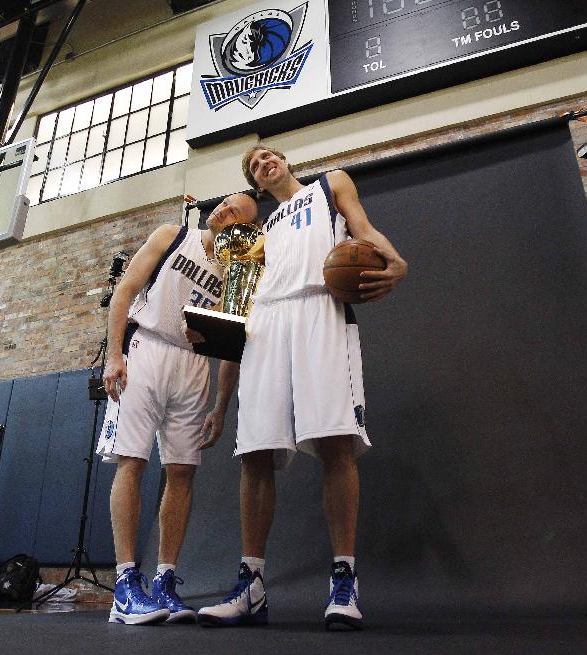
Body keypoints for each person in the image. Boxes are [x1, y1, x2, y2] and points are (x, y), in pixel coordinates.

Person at [195, 146, 407, 630]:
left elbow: (364, 229)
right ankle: (250, 587)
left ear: (285, 161)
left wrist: (397, 261)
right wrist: (220, 403)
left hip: (320, 310)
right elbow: (235, 317)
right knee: (254, 453)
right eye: (253, 166)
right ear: (256, 185)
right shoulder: (251, 236)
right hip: (265, 327)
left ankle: (343, 582)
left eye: (268, 155)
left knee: (336, 444)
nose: (263, 163)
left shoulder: (330, 186)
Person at [97, 192, 258, 625]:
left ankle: (165, 580)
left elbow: (230, 348)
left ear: (245, 228)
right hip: (145, 348)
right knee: (131, 460)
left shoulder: (239, 272)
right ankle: (126, 584)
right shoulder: (173, 235)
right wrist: (114, 355)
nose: (224, 212)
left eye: (236, 212)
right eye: (224, 205)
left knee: (182, 470)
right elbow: (126, 289)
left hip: (192, 368)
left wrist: (221, 407)